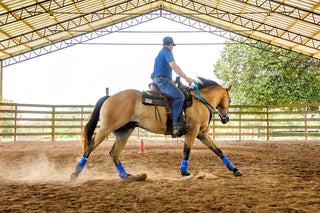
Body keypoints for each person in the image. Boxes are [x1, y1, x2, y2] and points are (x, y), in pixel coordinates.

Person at [151, 36, 193, 136]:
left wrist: (172, 81)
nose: (172, 47)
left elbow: (158, 73)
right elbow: (173, 65)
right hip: (163, 81)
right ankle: (175, 125)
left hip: (159, 80)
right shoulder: (167, 51)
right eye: (172, 45)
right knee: (180, 96)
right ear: (171, 44)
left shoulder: (159, 54)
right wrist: (186, 78)